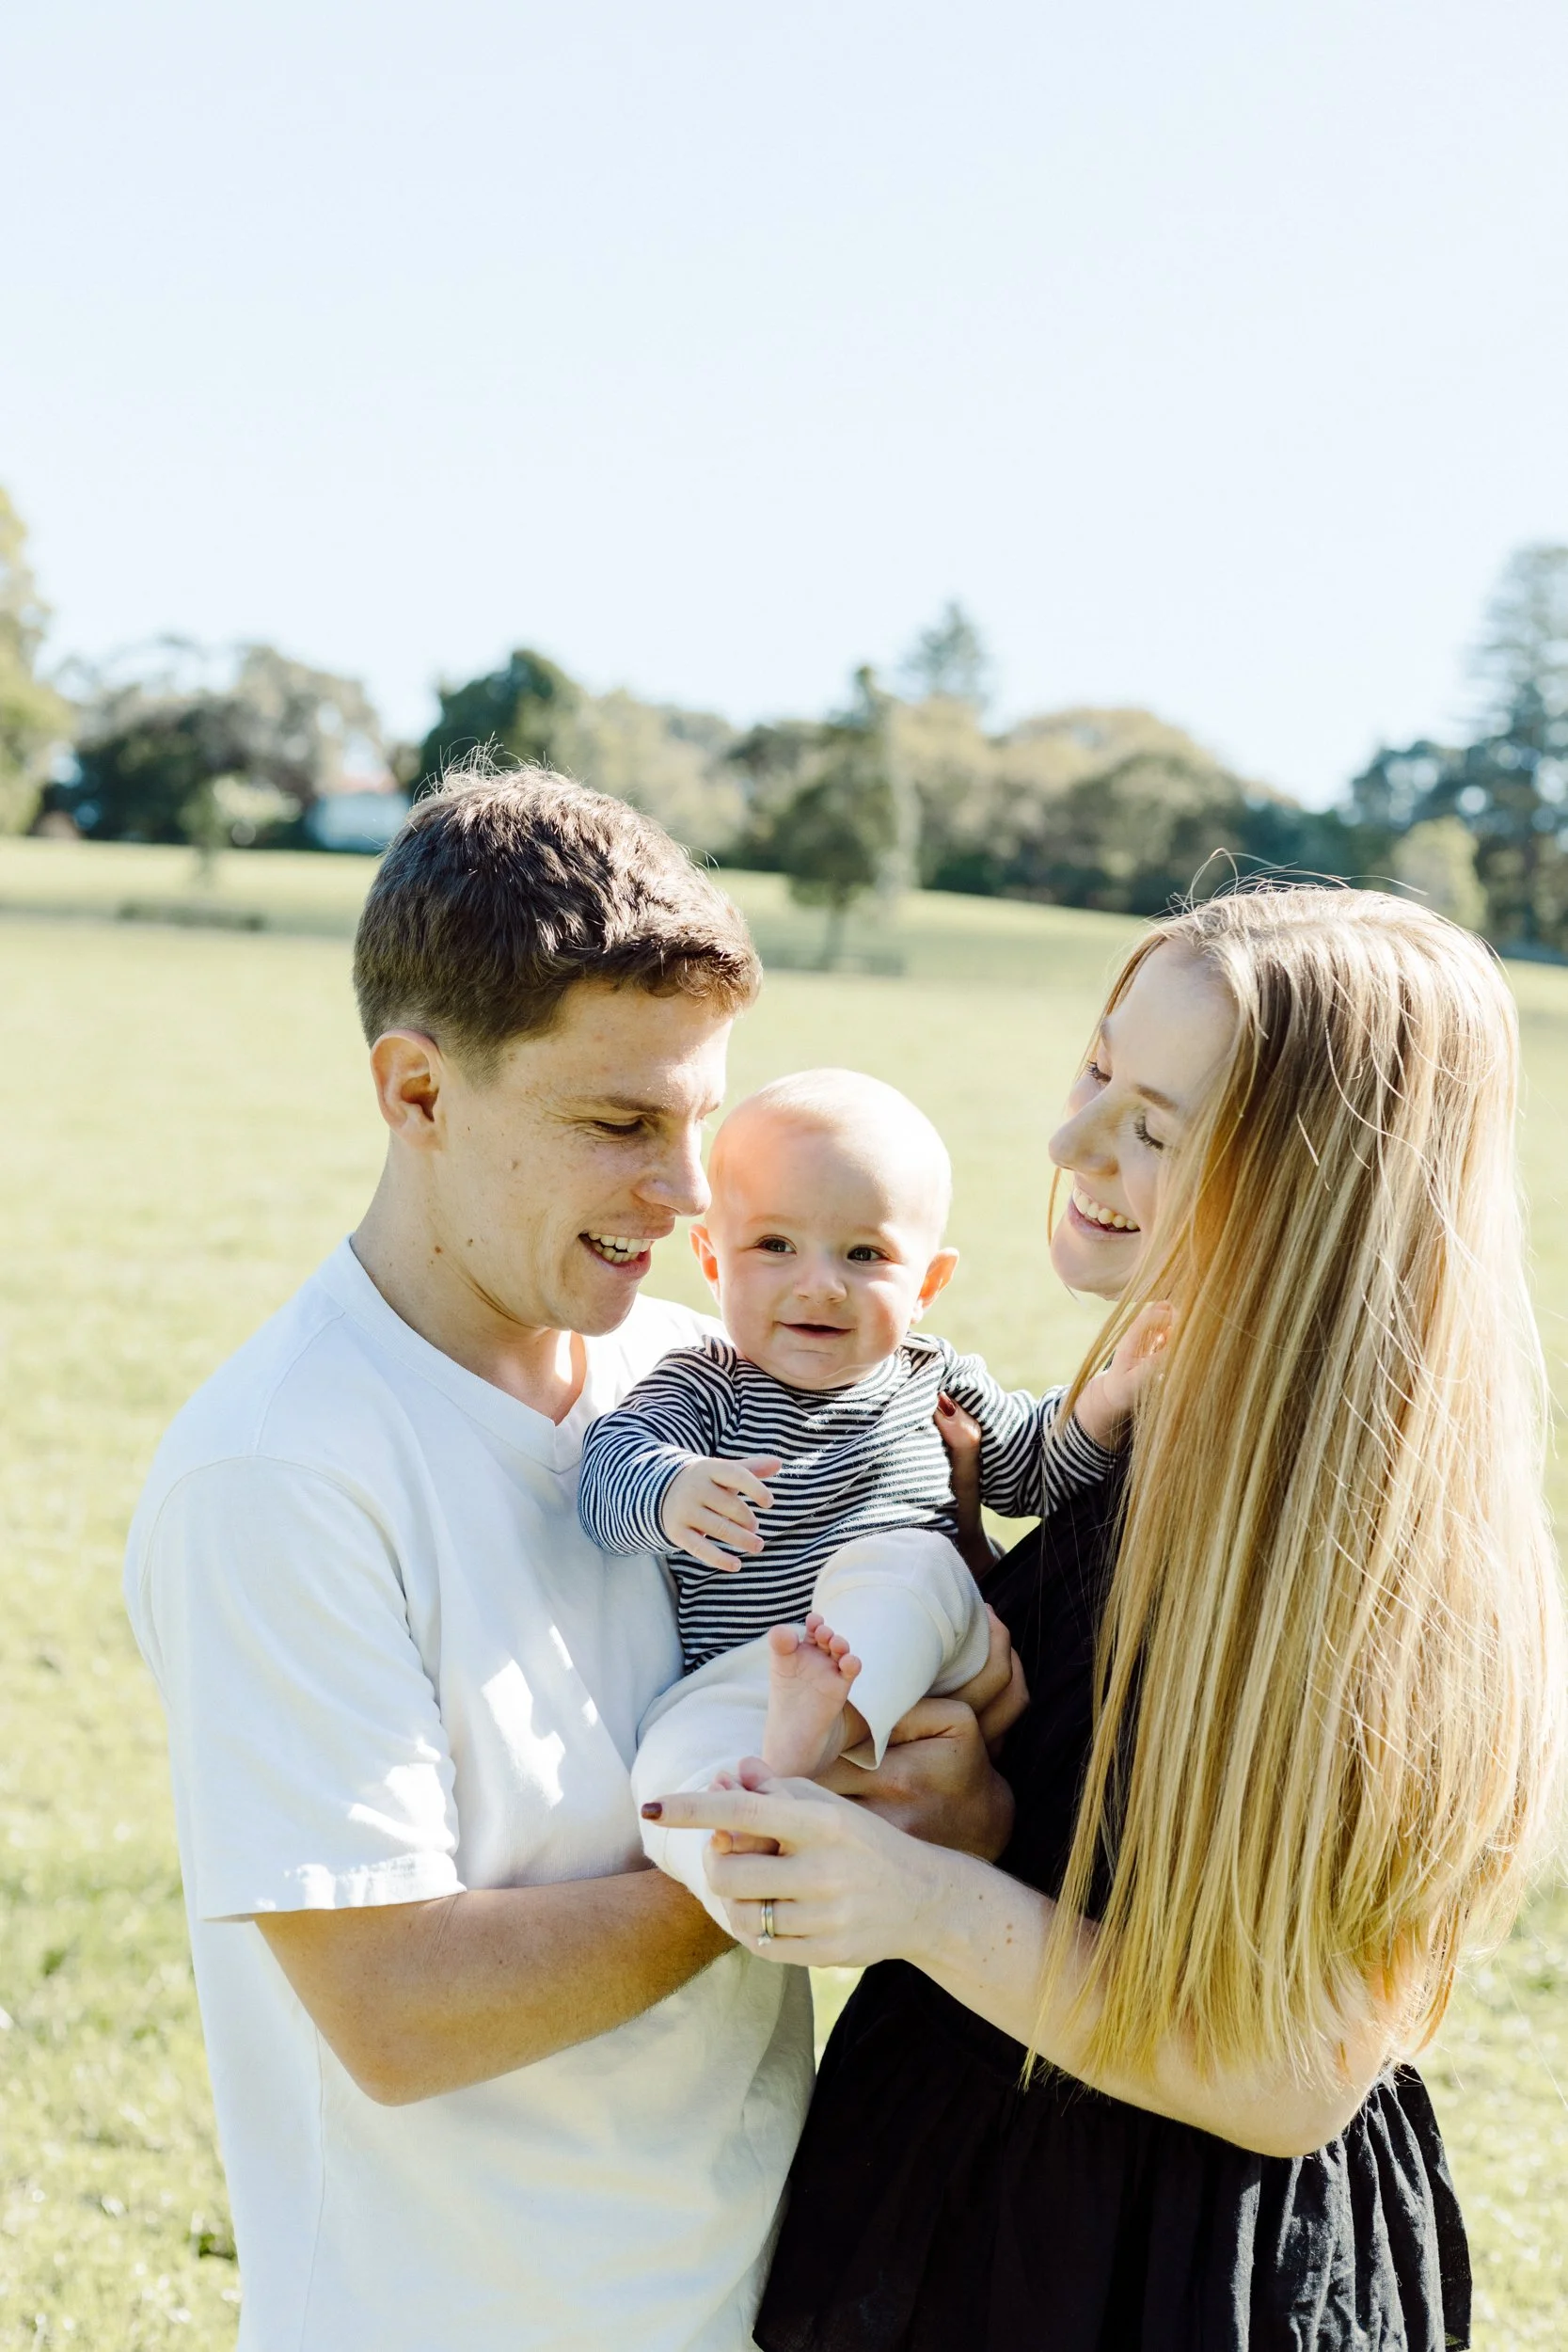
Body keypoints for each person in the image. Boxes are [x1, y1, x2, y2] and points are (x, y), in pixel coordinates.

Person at [121, 765, 1021, 2352]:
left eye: (697, 1126)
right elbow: (396, 2009)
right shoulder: (279, 1472)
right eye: (618, 1123)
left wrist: (950, 1797)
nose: (683, 1195)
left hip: (760, 2298)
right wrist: (812, 1848)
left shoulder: (695, 1373)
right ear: (416, 1092)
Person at [647, 886, 1567, 2352]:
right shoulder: (1160, 1414)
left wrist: (929, 1897)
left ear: (1309, 1193)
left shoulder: (1359, 1555)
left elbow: (1291, 2074)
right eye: (1094, 1071)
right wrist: (972, 1812)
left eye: (1156, 1126)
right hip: (964, 2201)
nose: (1073, 1145)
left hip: (1161, 2271)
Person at [578, 1070, 1157, 1920]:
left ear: (926, 1285)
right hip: (751, 1682)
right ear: (709, 1258)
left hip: (908, 1664)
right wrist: (670, 1489)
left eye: (864, 1254)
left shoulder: (928, 1379)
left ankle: (828, 1726)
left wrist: (1105, 1400)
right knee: (668, 1762)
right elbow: (607, 1466)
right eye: (774, 1246)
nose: (819, 1285)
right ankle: (747, 1864)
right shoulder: (705, 1389)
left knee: (909, 1563)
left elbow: (1034, 1470)